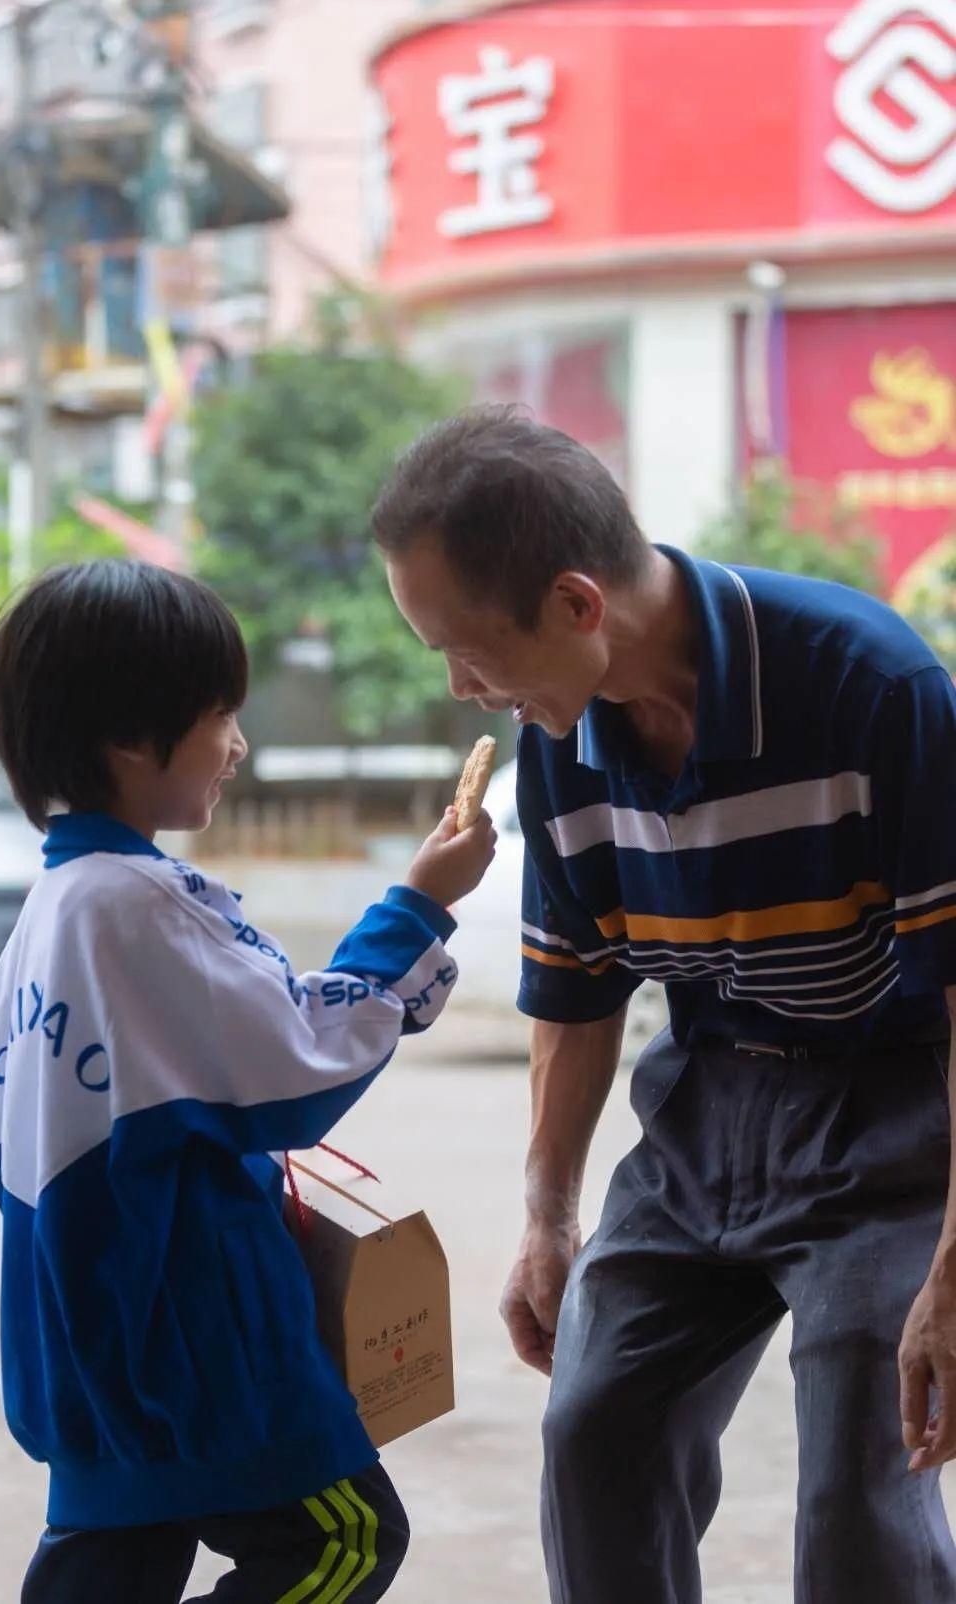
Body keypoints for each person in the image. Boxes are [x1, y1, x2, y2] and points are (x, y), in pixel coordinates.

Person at [374, 405, 956, 1604]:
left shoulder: (874, 687)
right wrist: (547, 1213)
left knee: (864, 1467)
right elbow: (576, 993)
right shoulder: (562, 741)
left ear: (580, 605)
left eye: (470, 652)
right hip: (703, 1100)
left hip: (889, 1108)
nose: (464, 691)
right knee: (596, 1430)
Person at [0, 560, 496, 1604]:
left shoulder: (57, 910)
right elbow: (299, 1059)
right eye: (221, 716)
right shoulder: (136, 905)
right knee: (344, 1539)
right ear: (131, 738)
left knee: (111, 1563)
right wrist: (419, 904)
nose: (238, 745)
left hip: (95, 1357)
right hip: (195, 1361)